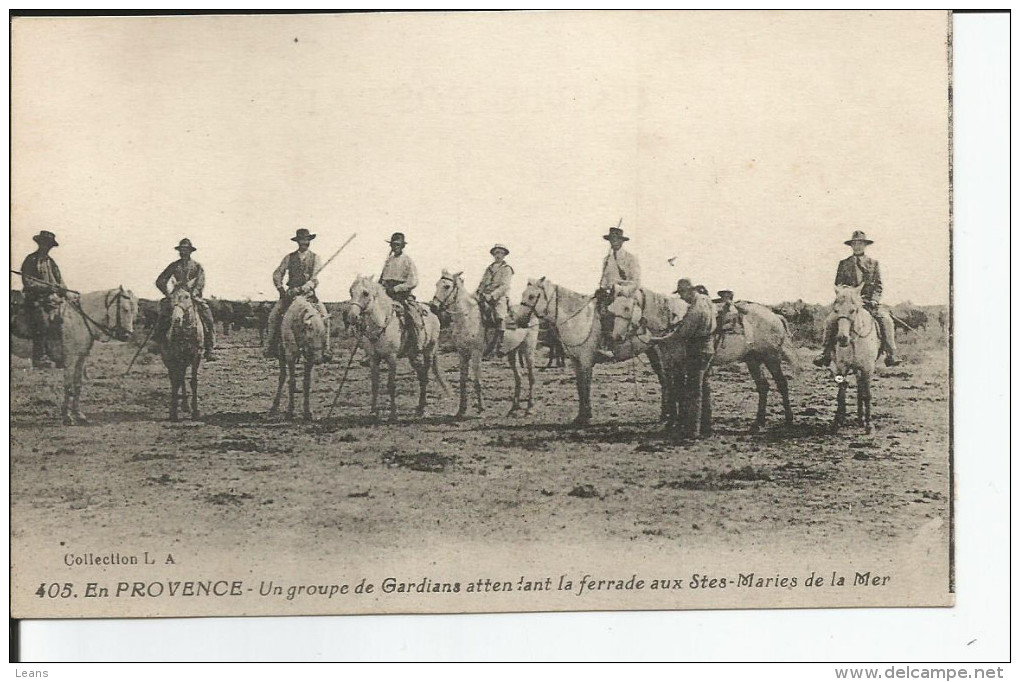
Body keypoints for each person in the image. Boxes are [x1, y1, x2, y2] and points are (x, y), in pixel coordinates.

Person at [814, 230, 900, 367]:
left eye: (860, 243)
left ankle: (890, 354)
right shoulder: (844, 263)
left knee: (886, 320)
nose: (857, 246)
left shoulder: (873, 263)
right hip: (848, 303)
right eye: (855, 243)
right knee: (830, 321)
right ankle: (825, 352)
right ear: (851, 246)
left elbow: (878, 285)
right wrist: (847, 293)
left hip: (868, 303)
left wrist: (874, 300)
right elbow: (838, 283)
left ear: (865, 245)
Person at [265, 228, 332, 361]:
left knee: (325, 318)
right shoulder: (289, 258)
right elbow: (278, 273)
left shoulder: (316, 258)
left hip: (309, 295)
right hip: (291, 295)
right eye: (301, 240)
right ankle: (270, 347)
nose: (304, 242)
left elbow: (314, 279)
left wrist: (306, 287)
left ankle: (326, 349)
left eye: (306, 240)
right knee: (274, 316)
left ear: (309, 241)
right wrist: (281, 289)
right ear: (298, 242)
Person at [154, 238, 217, 361]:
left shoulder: (197, 266)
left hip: (193, 297)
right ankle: (158, 342)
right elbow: (160, 280)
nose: (183, 252)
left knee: (207, 315)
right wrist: (168, 294)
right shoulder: (173, 266)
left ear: (190, 251)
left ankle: (209, 349)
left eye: (186, 249)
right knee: (163, 314)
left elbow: (200, 281)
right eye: (181, 249)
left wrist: (194, 293)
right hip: (176, 296)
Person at [674, 278, 716, 440]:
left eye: (682, 293)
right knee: (704, 389)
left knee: (693, 390)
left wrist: (664, 337)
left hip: (697, 351)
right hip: (708, 348)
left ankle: (693, 430)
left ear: (689, 291)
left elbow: (684, 333)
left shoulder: (695, 309)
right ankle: (707, 426)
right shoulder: (706, 300)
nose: (682, 298)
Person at [21, 230, 68, 368]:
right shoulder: (31, 260)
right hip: (34, 298)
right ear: (39, 244)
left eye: (49, 245)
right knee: (42, 321)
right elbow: (28, 281)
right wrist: (47, 288)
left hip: (52, 299)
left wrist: (62, 289)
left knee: (62, 323)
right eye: (44, 244)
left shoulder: (52, 263)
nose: (46, 247)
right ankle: (39, 358)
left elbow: (60, 281)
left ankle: (57, 356)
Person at [596, 224, 641, 359]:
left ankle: (612, 347)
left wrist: (620, 289)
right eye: (611, 240)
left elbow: (636, 282)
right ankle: (597, 344)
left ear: (622, 241)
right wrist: (602, 289)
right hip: (610, 294)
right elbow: (604, 280)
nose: (613, 242)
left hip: (627, 294)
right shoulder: (607, 260)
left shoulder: (631, 258)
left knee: (614, 311)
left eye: (616, 240)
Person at [379, 232, 423, 352]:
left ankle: (415, 343)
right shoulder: (388, 261)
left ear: (402, 246)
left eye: (398, 244)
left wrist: (397, 288)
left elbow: (413, 281)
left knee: (411, 315)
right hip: (386, 294)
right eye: (393, 244)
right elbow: (382, 279)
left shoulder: (407, 260)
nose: (395, 246)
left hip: (401, 295)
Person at [476, 243, 513, 359]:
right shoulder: (489, 268)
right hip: (485, 294)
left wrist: (492, 296)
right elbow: (482, 283)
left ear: (504, 255)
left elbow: (505, 286)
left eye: (501, 253)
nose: (498, 255)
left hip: (499, 296)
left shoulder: (507, 269)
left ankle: (500, 344)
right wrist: (478, 292)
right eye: (496, 253)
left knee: (499, 315)